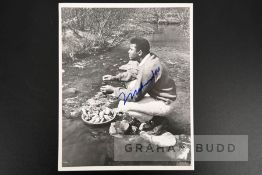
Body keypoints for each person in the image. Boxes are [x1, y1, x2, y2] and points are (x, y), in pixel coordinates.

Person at [100, 37, 177, 126]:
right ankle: (151, 115)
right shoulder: (149, 58)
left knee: (123, 105)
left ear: (139, 52)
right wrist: (115, 77)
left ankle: (156, 121)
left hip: (166, 103)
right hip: (162, 96)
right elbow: (134, 73)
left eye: (131, 49)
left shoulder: (148, 68)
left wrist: (114, 90)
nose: (128, 51)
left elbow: (135, 96)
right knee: (131, 84)